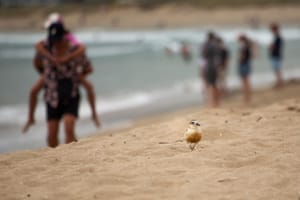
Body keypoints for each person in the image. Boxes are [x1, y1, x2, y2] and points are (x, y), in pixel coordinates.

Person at [23, 14, 100, 133]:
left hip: (71, 81)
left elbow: (84, 52)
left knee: (89, 88)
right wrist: (45, 70)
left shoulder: (71, 40)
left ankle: (94, 115)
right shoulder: (47, 43)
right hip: (52, 82)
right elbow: (37, 56)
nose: (56, 43)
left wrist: (72, 66)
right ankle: (30, 118)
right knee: (33, 91)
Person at [201, 32, 220, 107]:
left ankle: (211, 101)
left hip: (209, 65)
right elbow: (218, 58)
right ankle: (216, 101)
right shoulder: (215, 45)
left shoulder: (206, 45)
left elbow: (204, 56)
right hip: (214, 66)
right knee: (215, 84)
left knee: (209, 84)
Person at [237, 34, 253, 104]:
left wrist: (239, 59)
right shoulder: (247, 45)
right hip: (247, 64)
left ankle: (246, 97)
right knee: (246, 81)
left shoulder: (243, 46)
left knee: (244, 82)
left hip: (243, 64)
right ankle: (247, 96)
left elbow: (242, 57)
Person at [269, 23, 284, 89]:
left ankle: (280, 84)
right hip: (277, 55)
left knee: (277, 70)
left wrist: (271, 47)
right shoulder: (277, 37)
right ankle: (279, 83)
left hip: (276, 55)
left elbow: (274, 47)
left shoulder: (277, 37)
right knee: (277, 70)